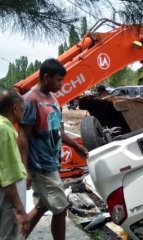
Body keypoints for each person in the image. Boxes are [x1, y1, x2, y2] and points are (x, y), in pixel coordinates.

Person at [18, 58, 89, 240]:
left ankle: (16, 237)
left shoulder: (52, 99)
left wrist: (75, 146)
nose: (60, 84)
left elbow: (57, 130)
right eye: (58, 80)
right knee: (61, 207)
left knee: (43, 206)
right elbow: (23, 137)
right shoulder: (30, 101)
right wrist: (25, 170)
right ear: (46, 77)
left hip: (52, 162)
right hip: (40, 166)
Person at [0, 88, 29, 239]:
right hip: (8, 198)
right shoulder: (5, 130)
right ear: (15, 108)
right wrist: (19, 210)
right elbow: (8, 176)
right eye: (23, 108)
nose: (24, 112)